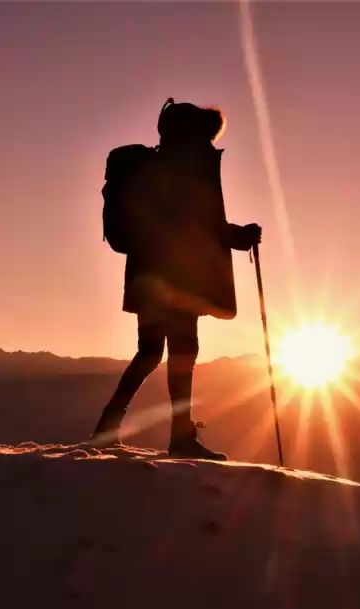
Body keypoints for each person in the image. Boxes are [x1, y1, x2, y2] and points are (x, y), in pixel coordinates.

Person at [91, 99, 262, 460]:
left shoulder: (154, 167)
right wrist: (239, 236)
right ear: (193, 133)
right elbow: (198, 226)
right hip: (178, 278)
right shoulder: (183, 169)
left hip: (148, 276)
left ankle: (108, 426)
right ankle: (180, 437)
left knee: (151, 351)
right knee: (183, 352)